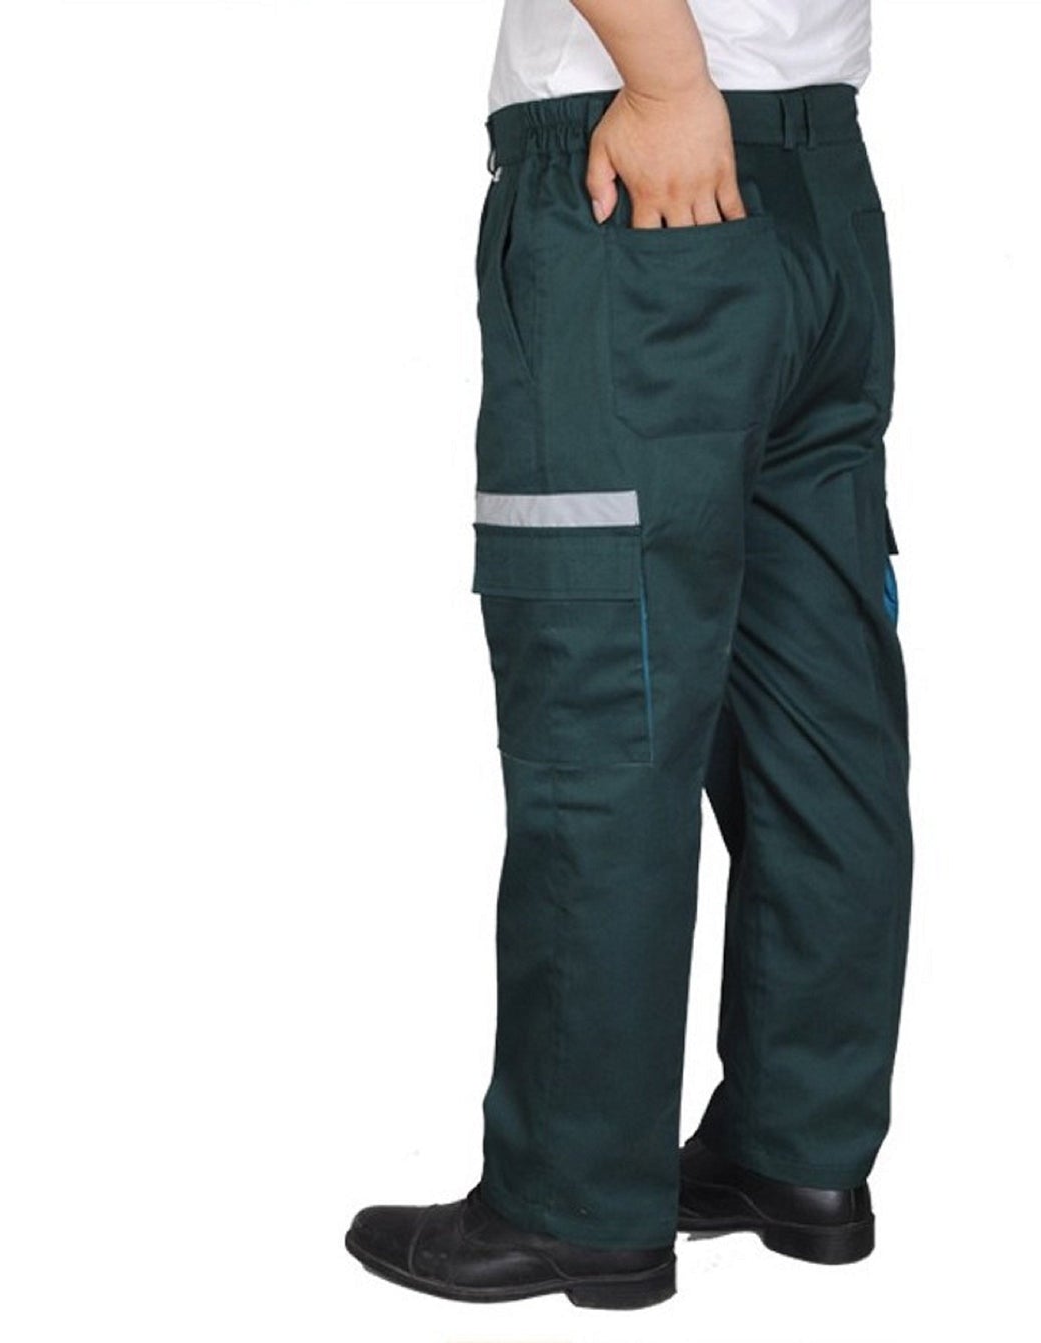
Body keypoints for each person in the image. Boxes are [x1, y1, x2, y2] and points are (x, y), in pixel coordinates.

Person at [345, 0, 912, 1310]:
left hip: (641, 178)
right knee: (819, 711)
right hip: (822, 184)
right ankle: (798, 1153)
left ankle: (575, 1201)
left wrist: (666, 86)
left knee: (607, 708)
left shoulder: (661, 114)